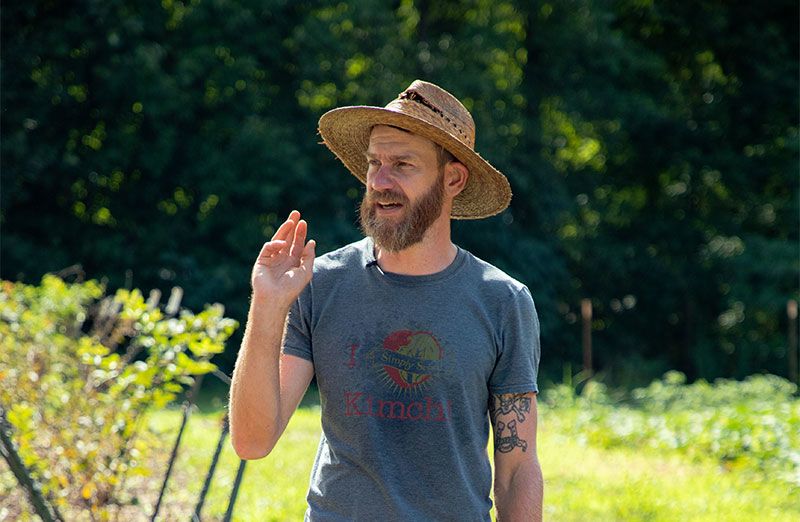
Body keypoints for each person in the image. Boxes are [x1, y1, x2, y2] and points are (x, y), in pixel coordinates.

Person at [229, 80, 543, 521]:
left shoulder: (502, 301)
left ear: (452, 178)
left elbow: (517, 470)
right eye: (374, 162)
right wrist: (267, 305)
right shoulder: (317, 284)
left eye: (402, 164)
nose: (378, 181)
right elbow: (252, 441)